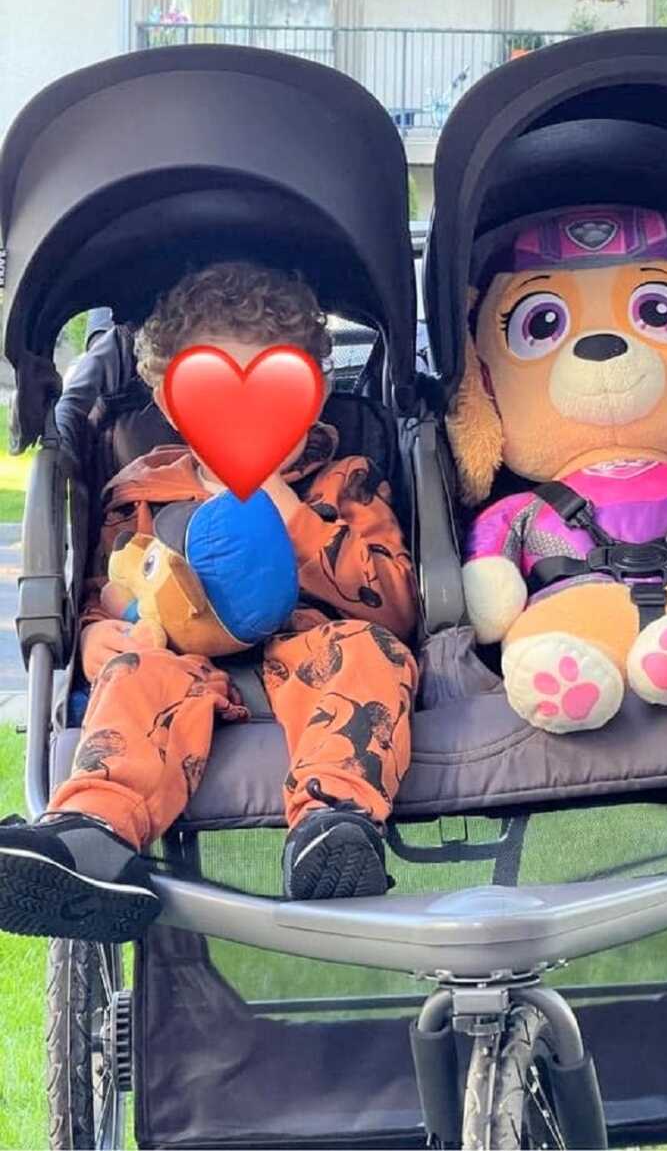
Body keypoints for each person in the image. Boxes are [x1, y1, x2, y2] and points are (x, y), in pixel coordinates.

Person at [0, 261, 419, 942]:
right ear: (170, 399)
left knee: (373, 653)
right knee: (134, 677)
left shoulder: (345, 481)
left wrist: (286, 508)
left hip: (312, 647)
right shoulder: (141, 491)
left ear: (311, 395)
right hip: (176, 658)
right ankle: (93, 836)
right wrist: (97, 636)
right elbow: (116, 587)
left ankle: (333, 823)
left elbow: (394, 603)